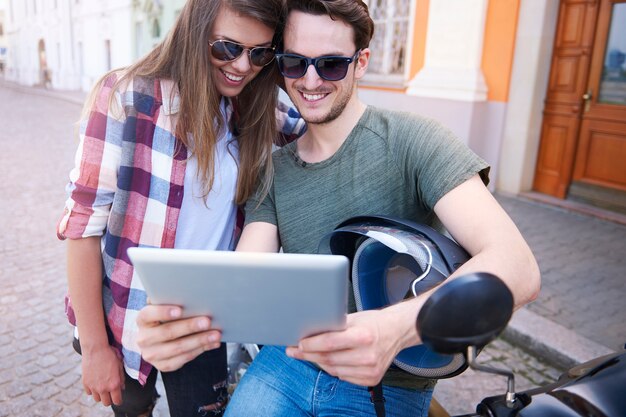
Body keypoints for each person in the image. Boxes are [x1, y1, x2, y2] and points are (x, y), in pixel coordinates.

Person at [136, 0, 541, 416]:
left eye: (330, 64)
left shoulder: (415, 141)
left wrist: (394, 329)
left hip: (388, 384)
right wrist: (178, 327)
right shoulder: (273, 169)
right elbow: (245, 277)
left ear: (361, 61)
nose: (310, 80)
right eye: (294, 63)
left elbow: (518, 267)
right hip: (285, 364)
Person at [56, 0, 304, 416]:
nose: (242, 65)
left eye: (260, 53)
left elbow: (321, 128)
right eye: (227, 48)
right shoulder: (126, 96)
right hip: (124, 317)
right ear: (195, 31)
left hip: (203, 322)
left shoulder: (255, 103)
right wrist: (96, 349)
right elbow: (82, 228)